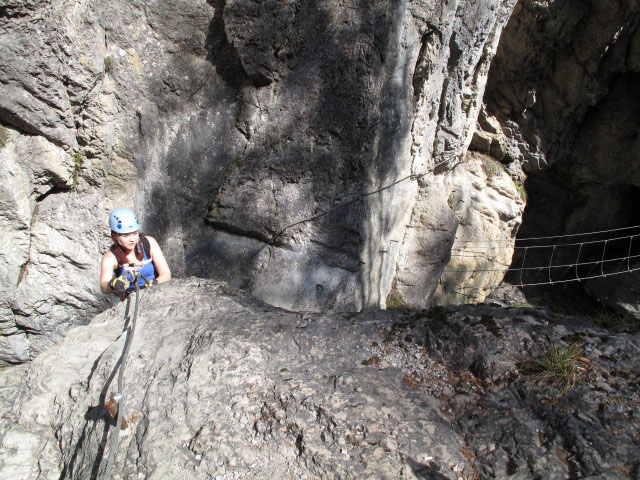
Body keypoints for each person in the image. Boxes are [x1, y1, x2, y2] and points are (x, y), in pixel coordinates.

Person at [100, 208, 171, 297]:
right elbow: (103, 287)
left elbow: (166, 274)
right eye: (125, 236)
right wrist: (113, 284)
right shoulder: (110, 258)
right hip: (131, 299)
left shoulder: (149, 243)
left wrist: (153, 284)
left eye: (134, 234)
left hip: (156, 294)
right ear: (115, 236)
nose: (131, 239)